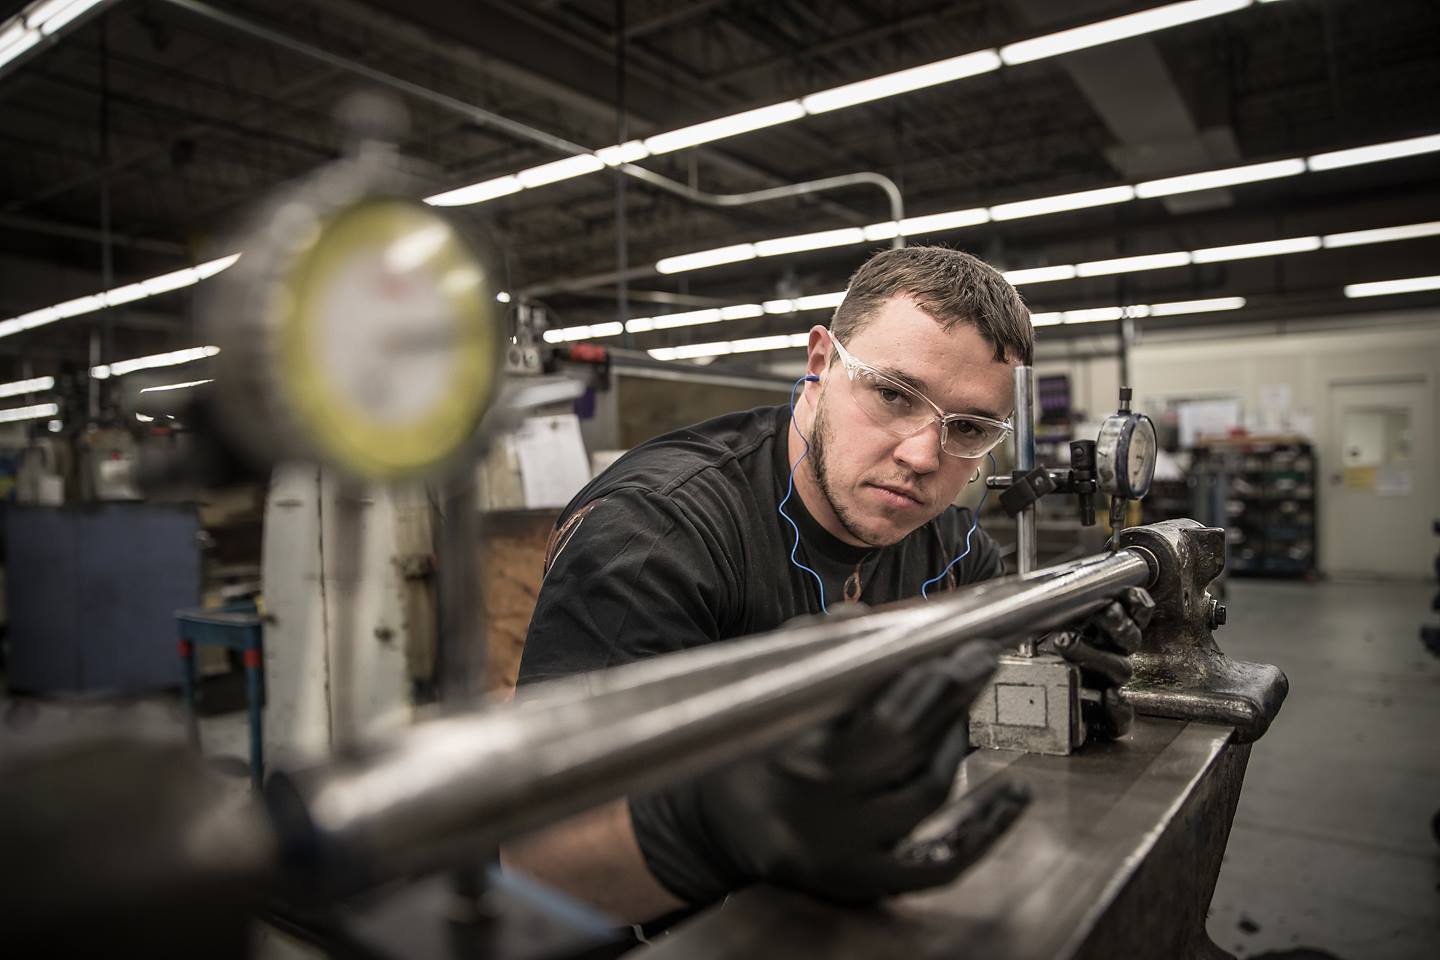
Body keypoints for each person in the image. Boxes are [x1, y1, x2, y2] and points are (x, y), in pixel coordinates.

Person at [503, 245, 1148, 924]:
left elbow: (984, 713)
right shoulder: (656, 534)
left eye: (968, 428)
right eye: (894, 394)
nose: (922, 457)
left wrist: (1051, 694)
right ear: (822, 363)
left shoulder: (951, 548)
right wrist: (719, 821)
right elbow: (538, 859)